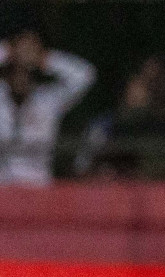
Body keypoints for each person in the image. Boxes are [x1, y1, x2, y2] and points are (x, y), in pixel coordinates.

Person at [0, 30, 96, 185]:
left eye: (26, 73)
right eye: (15, 71)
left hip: (39, 185)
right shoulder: (1, 95)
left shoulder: (48, 99)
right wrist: (9, 50)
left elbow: (85, 76)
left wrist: (43, 57)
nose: (20, 77)